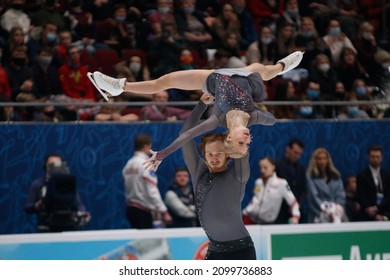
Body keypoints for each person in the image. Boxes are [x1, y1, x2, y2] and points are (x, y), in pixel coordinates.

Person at [88, 51, 304, 169]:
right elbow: (273, 120)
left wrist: (162, 154)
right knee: (262, 69)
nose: (247, 140)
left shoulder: (217, 121)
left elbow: (188, 134)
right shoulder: (255, 117)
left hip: (215, 79)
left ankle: (118, 87)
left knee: (165, 81)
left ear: (228, 138)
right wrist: (265, 118)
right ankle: (283, 66)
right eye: (248, 144)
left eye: (241, 143)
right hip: (245, 78)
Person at [180, 93, 256, 259]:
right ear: (204, 155)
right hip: (214, 250)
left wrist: (237, 127)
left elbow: (241, 146)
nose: (214, 158)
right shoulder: (198, 172)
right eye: (210, 154)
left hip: (241, 252)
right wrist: (201, 105)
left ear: (228, 154)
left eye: (219, 153)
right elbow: (185, 137)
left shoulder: (238, 174)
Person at [24, 154, 90, 233]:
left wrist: (82, 213)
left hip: (69, 227)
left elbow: (78, 204)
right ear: (45, 167)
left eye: (57, 165)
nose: (55, 168)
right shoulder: (38, 184)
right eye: (51, 165)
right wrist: (37, 206)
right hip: (46, 228)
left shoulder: (68, 184)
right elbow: (27, 207)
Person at [122, 134, 172, 229]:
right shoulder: (146, 163)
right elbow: (151, 190)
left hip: (130, 209)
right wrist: (164, 211)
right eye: (150, 146)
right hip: (143, 212)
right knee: (147, 243)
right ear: (146, 146)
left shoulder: (128, 164)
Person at [242, 157, 300, 225]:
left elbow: (293, 202)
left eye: (265, 167)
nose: (262, 170)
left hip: (267, 224)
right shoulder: (258, 182)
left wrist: (296, 216)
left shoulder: (281, 183)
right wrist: (245, 212)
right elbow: (255, 200)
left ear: (273, 167)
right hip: (248, 219)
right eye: (260, 168)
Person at [306, 147, 346, 223]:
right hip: (319, 214)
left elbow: (341, 195)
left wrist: (336, 209)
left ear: (328, 160)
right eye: (319, 159)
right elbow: (313, 197)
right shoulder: (311, 176)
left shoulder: (336, 176)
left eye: (324, 158)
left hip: (338, 214)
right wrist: (327, 210)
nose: (322, 161)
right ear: (315, 160)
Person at [275, 138, 307, 223]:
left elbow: (304, 190)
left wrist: (298, 204)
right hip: (280, 211)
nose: (297, 156)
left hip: (297, 211)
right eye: (295, 152)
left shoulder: (302, 169)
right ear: (288, 149)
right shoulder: (277, 164)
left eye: (300, 154)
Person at [356, 145, 390, 221]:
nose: (375, 159)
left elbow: (388, 196)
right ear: (368, 157)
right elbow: (361, 196)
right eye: (373, 157)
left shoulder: (387, 176)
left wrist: (377, 208)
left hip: (385, 212)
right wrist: (370, 209)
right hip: (367, 213)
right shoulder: (362, 176)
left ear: (382, 158)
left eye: (378, 157)